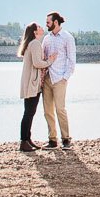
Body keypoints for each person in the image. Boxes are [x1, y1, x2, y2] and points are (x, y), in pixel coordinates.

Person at [39, 10, 77, 148]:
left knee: (60, 109)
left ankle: (66, 139)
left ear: (55, 22)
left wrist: (65, 77)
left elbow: (72, 60)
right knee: (47, 110)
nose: (46, 24)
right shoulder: (47, 38)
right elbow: (43, 57)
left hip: (60, 79)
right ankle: (52, 140)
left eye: (48, 22)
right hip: (48, 79)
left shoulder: (67, 37)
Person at [16, 22, 48, 152]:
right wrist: (50, 61)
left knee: (29, 112)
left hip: (30, 82)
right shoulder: (35, 43)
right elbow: (37, 63)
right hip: (32, 83)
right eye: (39, 27)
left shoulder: (31, 43)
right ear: (35, 31)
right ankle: (24, 142)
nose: (42, 28)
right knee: (29, 113)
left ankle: (27, 140)